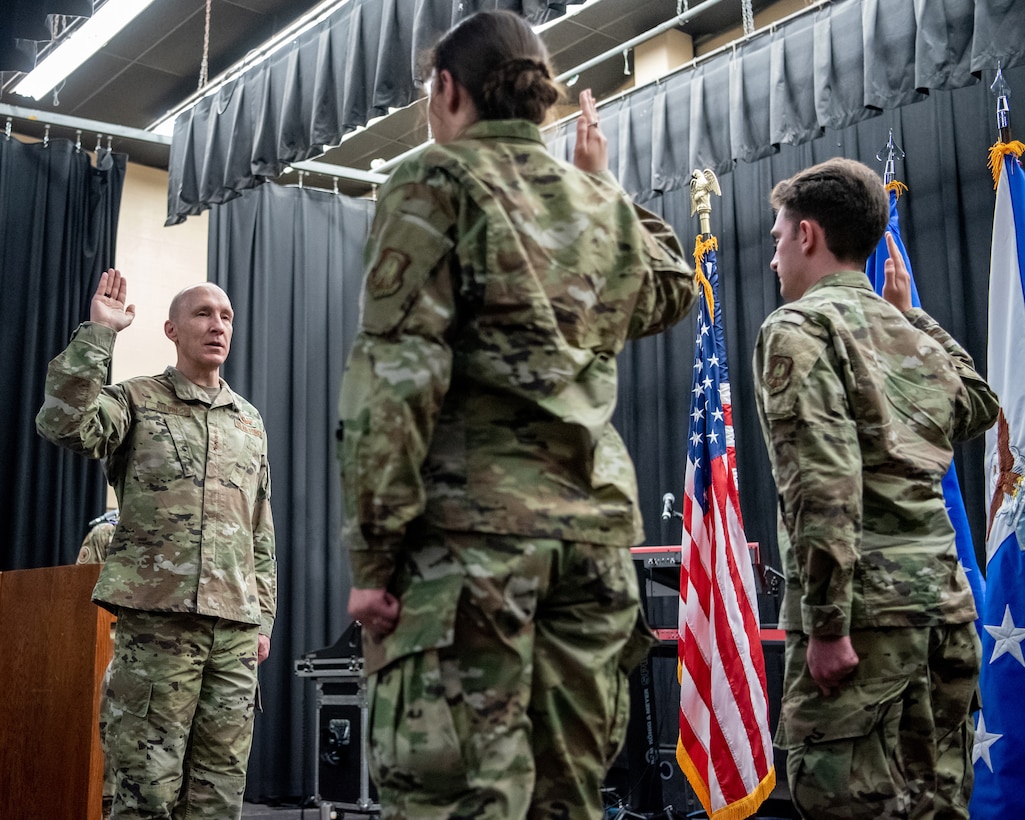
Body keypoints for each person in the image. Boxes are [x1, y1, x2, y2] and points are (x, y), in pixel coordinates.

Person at [337, 10, 698, 819]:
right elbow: (671, 286)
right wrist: (598, 185)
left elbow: (395, 380)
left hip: (474, 547)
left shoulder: (434, 178)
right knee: (564, 797)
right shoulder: (595, 207)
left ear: (445, 88)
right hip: (591, 550)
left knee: (458, 797)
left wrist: (372, 558)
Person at [752, 158, 1000, 819]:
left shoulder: (798, 328)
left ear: (806, 235)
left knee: (846, 804)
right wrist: (910, 317)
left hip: (862, 624)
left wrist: (828, 625)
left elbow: (820, 476)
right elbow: (976, 403)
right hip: (943, 619)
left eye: (776, 239)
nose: (773, 259)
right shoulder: (906, 335)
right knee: (935, 805)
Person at [36, 270, 277, 820]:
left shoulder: (250, 422)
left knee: (218, 796)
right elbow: (64, 425)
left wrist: (263, 618)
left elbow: (259, 527)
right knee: (147, 791)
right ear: (171, 329)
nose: (218, 325)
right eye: (203, 314)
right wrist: (99, 334)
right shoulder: (136, 400)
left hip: (234, 633)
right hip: (157, 626)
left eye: (227, 317)